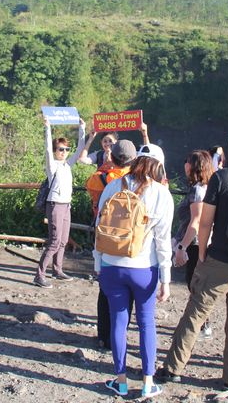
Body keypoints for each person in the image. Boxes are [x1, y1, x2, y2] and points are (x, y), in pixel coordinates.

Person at [156, 127, 228, 393]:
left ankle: (172, 369)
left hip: (218, 260)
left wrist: (201, 256)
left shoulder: (222, 177)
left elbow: (205, 222)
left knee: (195, 315)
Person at [94, 154, 174, 399]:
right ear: (157, 165)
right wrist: (165, 279)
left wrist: (98, 264)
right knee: (147, 322)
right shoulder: (162, 194)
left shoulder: (112, 185)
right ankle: (148, 384)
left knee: (119, 320)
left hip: (111, 266)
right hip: (144, 269)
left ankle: (121, 382)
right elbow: (163, 242)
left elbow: (99, 227)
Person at [85, 140, 137, 349]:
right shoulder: (142, 182)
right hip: (131, 243)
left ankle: (103, 336)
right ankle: (120, 336)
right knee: (129, 295)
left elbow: (90, 184)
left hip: (107, 242)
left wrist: (106, 166)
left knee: (105, 291)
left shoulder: (105, 179)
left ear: (113, 158)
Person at [34, 116, 86, 288]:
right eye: (61, 149)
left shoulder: (67, 165)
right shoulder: (53, 166)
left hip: (66, 205)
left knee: (63, 241)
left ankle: (57, 270)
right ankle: (40, 274)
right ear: (56, 150)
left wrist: (82, 130)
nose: (64, 152)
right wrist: (47, 128)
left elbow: (79, 150)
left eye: (66, 149)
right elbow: (48, 150)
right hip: (55, 204)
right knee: (55, 241)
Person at [173, 150, 215, 341]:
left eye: (188, 161)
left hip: (196, 244)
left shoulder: (198, 190)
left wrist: (182, 247)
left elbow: (196, 222)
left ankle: (203, 326)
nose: (185, 165)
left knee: (195, 285)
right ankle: (201, 324)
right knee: (196, 284)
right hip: (202, 243)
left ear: (195, 166)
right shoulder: (207, 188)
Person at [80, 122, 150, 168]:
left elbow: (148, 155)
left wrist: (144, 134)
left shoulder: (123, 154)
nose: (108, 144)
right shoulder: (100, 155)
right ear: (101, 142)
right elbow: (82, 159)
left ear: (116, 142)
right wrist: (91, 139)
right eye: (105, 141)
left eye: (110, 141)